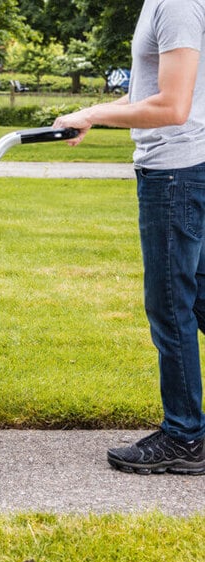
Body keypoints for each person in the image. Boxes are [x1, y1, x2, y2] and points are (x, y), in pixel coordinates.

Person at [54, 0, 205, 475]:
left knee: (170, 303)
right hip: (184, 170)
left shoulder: (177, 4)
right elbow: (149, 92)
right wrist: (91, 114)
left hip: (175, 173)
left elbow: (173, 106)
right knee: (197, 299)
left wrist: (95, 110)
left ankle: (184, 436)